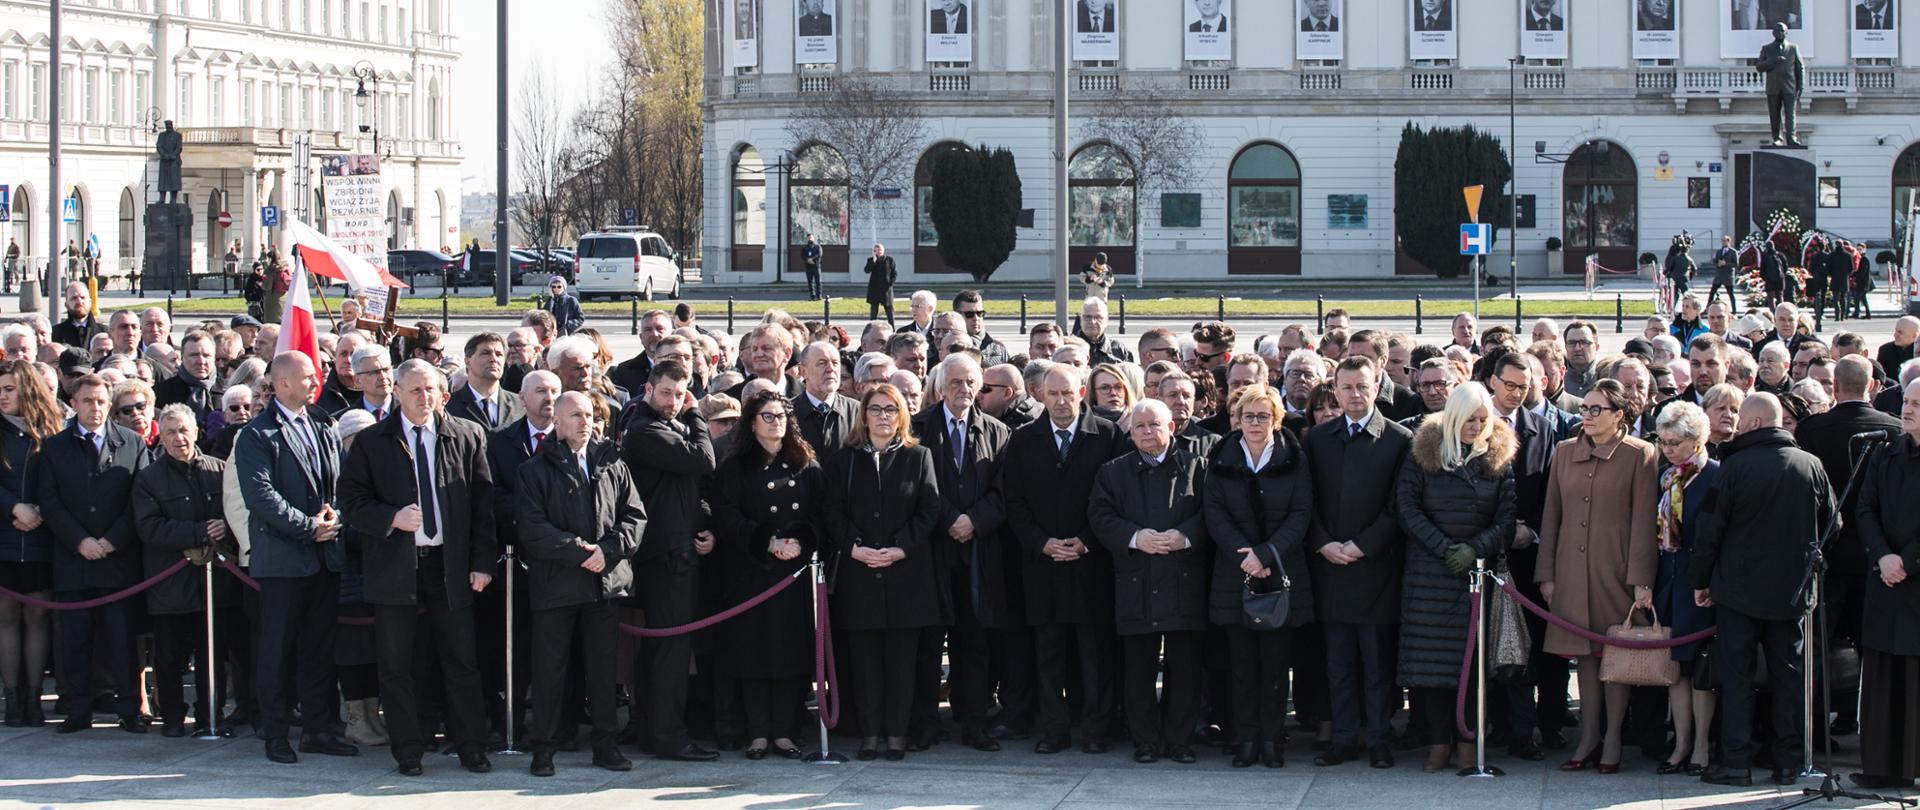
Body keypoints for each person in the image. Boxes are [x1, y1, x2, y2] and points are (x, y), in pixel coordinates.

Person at [336, 360, 496, 776]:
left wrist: (481, 563)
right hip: (396, 567)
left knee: (461, 660)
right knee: (397, 664)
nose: (425, 398)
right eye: (415, 391)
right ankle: (408, 750)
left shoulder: (465, 434)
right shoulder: (373, 442)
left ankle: (471, 747)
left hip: (450, 565)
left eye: (432, 390)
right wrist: (391, 518)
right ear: (398, 394)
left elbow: (483, 505)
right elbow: (351, 501)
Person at [1691, 393, 1836, 787]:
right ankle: (1789, 761)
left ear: (1754, 424)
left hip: (1737, 590)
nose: (1735, 423)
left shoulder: (1733, 467)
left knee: (1737, 677)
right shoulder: (1811, 466)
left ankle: (1735, 762)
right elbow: (1832, 525)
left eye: (1741, 418)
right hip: (1792, 590)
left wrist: (1700, 581)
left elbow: (1710, 530)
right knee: (1789, 675)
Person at [517, 391, 647, 777]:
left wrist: (607, 551)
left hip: (603, 586)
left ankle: (605, 746)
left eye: (590, 415)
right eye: (575, 415)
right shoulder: (534, 470)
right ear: (556, 422)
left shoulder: (612, 463)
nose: (585, 421)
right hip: (557, 587)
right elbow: (533, 529)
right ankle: (544, 747)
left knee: (604, 671)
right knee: (550, 670)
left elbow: (635, 517)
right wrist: (580, 552)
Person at [233, 352, 354, 764]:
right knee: (277, 648)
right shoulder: (257, 434)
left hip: (324, 557)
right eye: (306, 376)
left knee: (319, 647)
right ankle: (276, 732)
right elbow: (261, 497)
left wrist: (333, 516)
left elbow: (337, 482)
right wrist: (307, 526)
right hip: (284, 560)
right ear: (282, 383)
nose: (315, 381)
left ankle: (319, 728)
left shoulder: (322, 423)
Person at [1003, 363, 1128, 754]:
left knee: (1094, 655)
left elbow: (1117, 500)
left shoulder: (1106, 436)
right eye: (1052, 394)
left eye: (1067, 393)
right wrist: (1041, 543)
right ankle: (1054, 729)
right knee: (1048, 653)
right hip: (1043, 565)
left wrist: (1087, 541)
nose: (1060, 401)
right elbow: (1014, 501)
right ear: (1040, 394)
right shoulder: (1024, 439)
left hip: (1091, 565)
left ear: (1081, 393)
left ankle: (1095, 729)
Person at [1537, 378, 1658, 773]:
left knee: (1614, 654)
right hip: (1571, 571)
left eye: (1596, 410)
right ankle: (1588, 737)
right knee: (1585, 657)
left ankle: (1613, 740)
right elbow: (1551, 517)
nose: (1586, 416)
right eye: (1584, 409)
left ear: (1619, 415)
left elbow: (1643, 522)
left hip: (1616, 571)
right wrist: (1547, 575)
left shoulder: (1640, 454)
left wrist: (1641, 579)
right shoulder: (1564, 451)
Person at [1397, 383, 1516, 773]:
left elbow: (1505, 519)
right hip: (1430, 575)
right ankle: (1437, 742)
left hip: (1475, 576)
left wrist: (1475, 549)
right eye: (1470, 420)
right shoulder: (1423, 455)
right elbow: (1408, 507)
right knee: (1431, 668)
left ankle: (1469, 744)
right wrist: (1443, 547)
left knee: (1472, 667)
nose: (1477, 426)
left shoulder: (1497, 460)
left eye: (1483, 420)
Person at [1087, 399, 1213, 765]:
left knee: (1185, 669)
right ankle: (1145, 741)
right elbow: (1099, 514)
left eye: (1154, 425)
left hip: (1183, 580)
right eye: (1139, 426)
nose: (1146, 432)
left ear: (1171, 427)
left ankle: (1180, 741)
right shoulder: (1113, 472)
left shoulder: (1197, 466)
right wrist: (1134, 537)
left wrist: (1186, 536)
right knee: (1138, 670)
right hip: (1135, 582)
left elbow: (1213, 513)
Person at [823, 383, 942, 761]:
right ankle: (870, 735)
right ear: (863, 415)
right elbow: (832, 512)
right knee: (865, 664)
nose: (883, 417)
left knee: (901, 665)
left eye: (891, 410)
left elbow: (929, 511)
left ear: (902, 414)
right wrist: (854, 547)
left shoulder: (918, 456)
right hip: (860, 576)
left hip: (905, 576)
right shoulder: (845, 460)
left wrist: (898, 549)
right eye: (875, 410)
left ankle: (897, 735)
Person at [1304, 356, 1413, 769]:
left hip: (1376, 568)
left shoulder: (1399, 439)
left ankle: (1378, 738)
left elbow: (1398, 505)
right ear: (1335, 388)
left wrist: (1363, 545)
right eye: (1346, 387)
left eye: (1362, 387)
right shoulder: (1318, 438)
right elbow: (1305, 501)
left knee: (1376, 663)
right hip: (1330, 566)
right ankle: (1344, 738)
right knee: (1338, 663)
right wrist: (1324, 544)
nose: (1354, 395)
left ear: (1375, 387)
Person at [1202, 384, 1313, 768]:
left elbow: (1301, 513)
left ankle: (1272, 739)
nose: (1254, 422)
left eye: (1262, 415)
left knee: (1275, 665)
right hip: (1236, 573)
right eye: (1247, 415)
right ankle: (1246, 738)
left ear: (1276, 419)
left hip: (1281, 569)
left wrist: (1266, 554)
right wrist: (1247, 558)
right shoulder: (1220, 456)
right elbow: (1214, 512)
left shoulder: (1293, 457)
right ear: (1237, 419)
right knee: (1242, 666)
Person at [707, 392, 820, 760]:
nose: (775, 423)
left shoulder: (805, 463)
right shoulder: (734, 467)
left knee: (789, 654)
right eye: (767, 416)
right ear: (752, 422)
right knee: (754, 654)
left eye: (781, 417)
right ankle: (757, 732)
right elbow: (726, 516)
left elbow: (823, 512)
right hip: (751, 572)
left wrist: (800, 541)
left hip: (793, 572)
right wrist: (767, 542)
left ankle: (785, 732)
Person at [907, 354, 1011, 751]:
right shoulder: (917, 428)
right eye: (955, 382)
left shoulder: (998, 432)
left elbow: (1004, 491)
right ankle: (926, 723)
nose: (963, 390)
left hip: (978, 553)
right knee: (929, 644)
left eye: (971, 383)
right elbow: (917, 486)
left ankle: (973, 723)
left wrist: (974, 522)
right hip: (932, 550)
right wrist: (950, 519)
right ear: (939, 385)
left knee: (974, 642)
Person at [618, 359, 718, 761]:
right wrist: (696, 412)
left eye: (681, 395)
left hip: (675, 549)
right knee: (670, 652)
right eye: (667, 393)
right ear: (648, 389)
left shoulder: (663, 426)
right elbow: (703, 459)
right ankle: (668, 736)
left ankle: (654, 730)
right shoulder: (644, 429)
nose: (674, 402)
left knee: (665, 651)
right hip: (664, 556)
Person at [38, 373, 148, 734]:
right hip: (74, 561)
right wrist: (80, 541)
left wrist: (113, 540)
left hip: (118, 562)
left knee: (121, 641)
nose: (96, 408)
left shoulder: (132, 443)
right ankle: (79, 709)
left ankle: (129, 709)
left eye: (102, 402)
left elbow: (140, 502)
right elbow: (50, 502)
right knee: (75, 640)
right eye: (88, 401)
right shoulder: (54, 448)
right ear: (74, 404)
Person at [133, 404, 235, 738]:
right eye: (171, 432)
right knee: (169, 658)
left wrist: (225, 527)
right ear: (161, 436)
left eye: (184, 430)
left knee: (212, 656)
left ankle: (210, 715)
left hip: (213, 583)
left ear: (197, 432)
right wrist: (199, 532)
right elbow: (149, 528)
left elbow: (237, 514)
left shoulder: (219, 470)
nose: (179, 438)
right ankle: (173, 717)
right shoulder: (149, 478)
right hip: (170, 584)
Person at [1851, 379, 1920, 790]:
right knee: (1882, 674)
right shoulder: (1884, 452)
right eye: (1907, 401)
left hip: (1914, 581)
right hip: (1884, 579)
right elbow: (1865, 508)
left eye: (1917, 404)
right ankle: (1881, 765)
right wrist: (1881, 555)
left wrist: (1907, 561)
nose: (1907, 409)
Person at [0, 360, 59, 727]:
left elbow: (60, 481)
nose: (2, 396)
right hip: (4, 538)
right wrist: (13, 508)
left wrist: (38, 510)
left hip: (41, 538)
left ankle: (35, 698)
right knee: (6, 618)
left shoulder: (52, 431)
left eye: (8, 389)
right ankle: (12, 700)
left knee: (38, 617)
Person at [446, 332, 524, 430]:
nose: (494, 359)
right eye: (486, 353)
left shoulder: (520, 405)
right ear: (468, 362)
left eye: (499, 354)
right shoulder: (449, 406)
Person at [864, 244, 897, 324]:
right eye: (875, 250)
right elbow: (867, 270)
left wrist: (890, 284)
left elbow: (894, 274)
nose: (878, 252)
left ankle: (892, 328)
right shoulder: (871, 260)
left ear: (883, 251)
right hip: (874, 289)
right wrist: (873, 261)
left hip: (886, 289)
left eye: (879, 250)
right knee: (874, 311)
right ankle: (872, 328)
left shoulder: (889, 260)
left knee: (889, 310)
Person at [1709, 236, 1739, 307]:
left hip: (1728, 276)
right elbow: (1715, 261)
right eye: (1722, 241)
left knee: (1731, 294)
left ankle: (1734, 310)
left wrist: (1726, 264)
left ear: (1728, 241)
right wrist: (1718, 264)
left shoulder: (1733, 252)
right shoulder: (1719, 251)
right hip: (1719, 276)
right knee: (1712, 292)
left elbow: (1736, 264)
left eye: (1724, 241)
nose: (1723, 242)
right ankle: (1707, 308)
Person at [801, 234, 823, 300]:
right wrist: (807, 260)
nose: (810, 239)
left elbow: (819, 254)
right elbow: (802, 256)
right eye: (808, 238)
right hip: (808, 267)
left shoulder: (817, 247)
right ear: (807, 239)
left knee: (818, 282)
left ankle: (818, 295)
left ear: (813, 238)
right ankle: (812, 296)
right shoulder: (804, 248)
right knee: (810, 282)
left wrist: (812, 259)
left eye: (811, 237)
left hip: (816, 266)